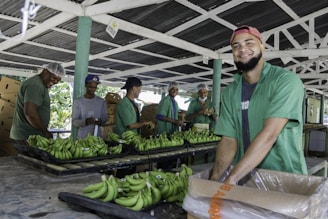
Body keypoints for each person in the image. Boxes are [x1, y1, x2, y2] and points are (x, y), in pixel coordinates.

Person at [210, 25, 307, 185]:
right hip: (246, 179)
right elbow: (229, 139)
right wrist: (214, 181)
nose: (242, 49)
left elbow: (270, 134)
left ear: (262, 46)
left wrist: (231, 179)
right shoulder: (230, 92)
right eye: (236, 46)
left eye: (249, 43)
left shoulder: (285, 81)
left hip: (286, 180)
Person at [10, 63, 66, 143]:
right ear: (46, 72)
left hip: (29, 136)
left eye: (58, 80)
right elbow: (30, 113)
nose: (55, 82)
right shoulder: (35, 85)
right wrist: (45, 131)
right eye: (54, 78)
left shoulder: (40, 84)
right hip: (26, 136)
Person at [72, 74, 107, 139]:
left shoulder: (101, 102)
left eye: (94, 87)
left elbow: (104, 118)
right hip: (82, 139)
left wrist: (101, 122)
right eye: (90, 87)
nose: (92, 89)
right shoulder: (78, 102)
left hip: (97, 139)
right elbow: (74, 121)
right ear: (85, 85)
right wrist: (85, 121)